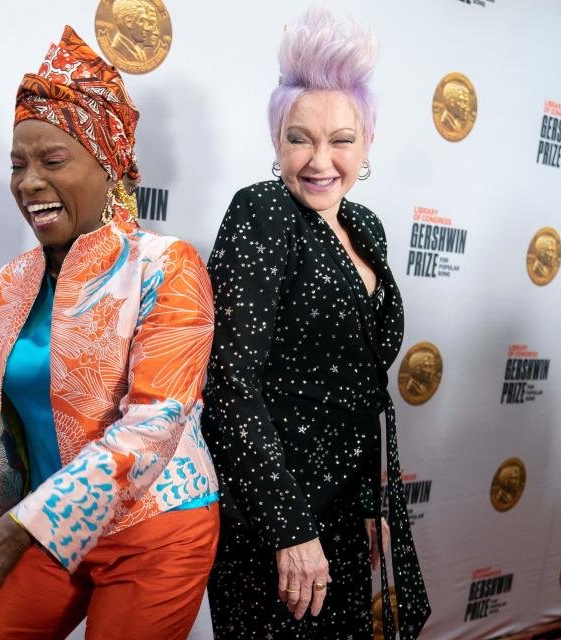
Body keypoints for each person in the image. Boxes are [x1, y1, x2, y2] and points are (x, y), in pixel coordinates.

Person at [0, 26, 218, 639]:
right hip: (45, 527)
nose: (29, 181)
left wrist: (12, 532)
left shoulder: (167, 266)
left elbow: (152, 428)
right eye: (18, 164)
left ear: (107, 162)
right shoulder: (14, 280)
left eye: (52, 160)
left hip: (154, 530)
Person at [201, 8, 430, 639]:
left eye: (342, 139)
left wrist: (372, 503)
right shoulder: (263, 210)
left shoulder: (367, 227)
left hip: (346, 509)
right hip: (277, 519)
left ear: (368, 142)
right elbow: (229, 383)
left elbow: (360, 389)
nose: (320, 160)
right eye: (300, 137)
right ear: (276, 141)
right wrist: (290, 529)